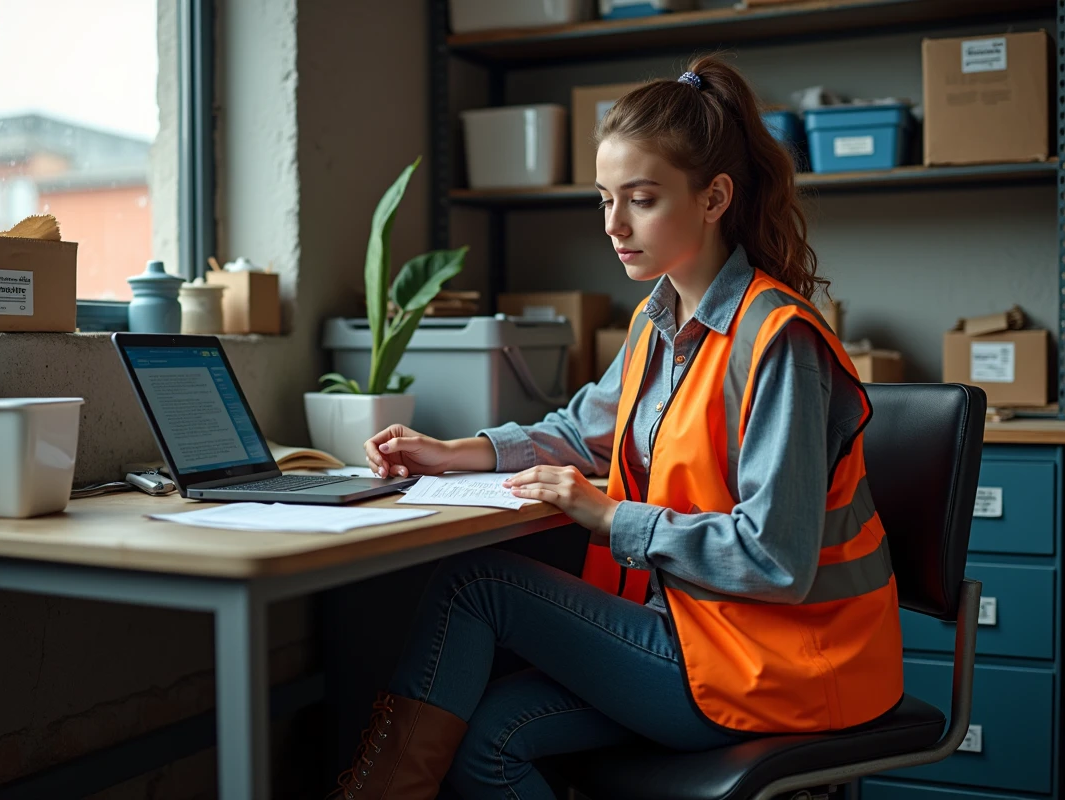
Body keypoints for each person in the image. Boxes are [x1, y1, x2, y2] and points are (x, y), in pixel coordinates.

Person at [329, 55, 903, 800]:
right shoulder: (658, 322)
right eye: (604, 199)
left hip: (780, 664)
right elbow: (579, 430)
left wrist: (607, 516)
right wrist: (449, 452)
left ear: (713, 198)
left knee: (476, 586)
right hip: (697, 634)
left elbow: (776, 560)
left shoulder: (778, 342)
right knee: (489, 743)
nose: (613, 226)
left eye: (640, 199)